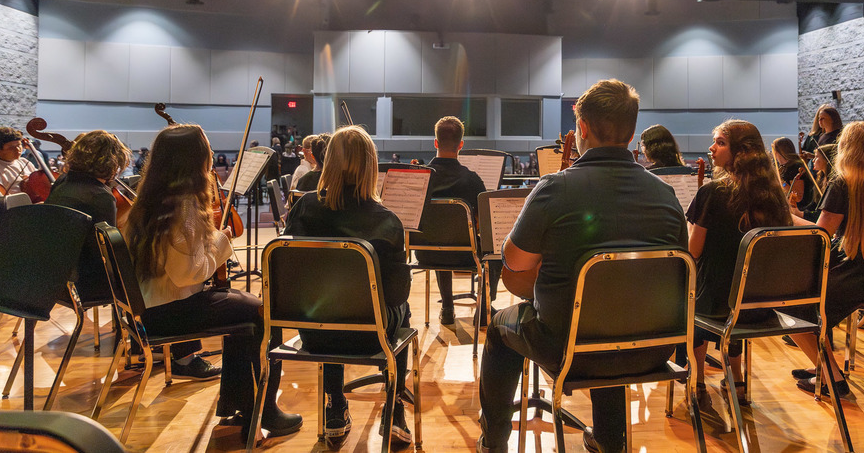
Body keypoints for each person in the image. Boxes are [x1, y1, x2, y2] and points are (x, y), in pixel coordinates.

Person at [477, 79, 687, 453]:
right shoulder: (666, 194)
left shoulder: (555, 188)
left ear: (583, 128)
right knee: (614, 314)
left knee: (498, 328)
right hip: (654, 348)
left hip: (570, 350)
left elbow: (514, 260)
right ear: (632, 132)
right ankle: (610, 438)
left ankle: (493, 442)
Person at [123, 124, 302, 439]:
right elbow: (189, 274)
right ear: (196, 158)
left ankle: (239, 407)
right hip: (170, 310)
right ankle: (262, 411)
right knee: (263, 312)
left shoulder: (153, 196)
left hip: (153, 305)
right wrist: (221, 240)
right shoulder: (184, 205)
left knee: (244, 309)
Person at [284, 125, 414, 447]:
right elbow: (397, 294)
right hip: (372, 337)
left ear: (328, 163)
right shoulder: (387, 221)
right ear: (372, 166)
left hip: (312, 332)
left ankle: (335, 408)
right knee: (403, 313)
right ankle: (394, 408)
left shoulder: (303, 208)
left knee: (328, 306)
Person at [688, 120, 803, 408]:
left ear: (740, 152)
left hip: (717, 308)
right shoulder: (774, 197)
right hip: (760, 307)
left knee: (694, 288)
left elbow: (693, 251)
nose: (712, 148)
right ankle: (736, 379)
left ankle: (698, 379)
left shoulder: (713, 192)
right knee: (736, 284)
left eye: (720, 143)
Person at [789, 121, 864, 399]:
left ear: (846, 148)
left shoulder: (842, 182)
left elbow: (820, 235)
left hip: (857, 276)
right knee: (811, 303)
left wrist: (784, 215)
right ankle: (822, 367)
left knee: (791, 308)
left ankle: (831, 379)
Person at [417, 116, 493, 326]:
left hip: (425, 252)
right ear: (461, 145)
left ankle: (447, 308)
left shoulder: (420, 177)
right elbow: (484, 223)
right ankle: (485, 306)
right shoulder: (472, 180)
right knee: (493, 248)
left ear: (435, 142)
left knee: (440, 238)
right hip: (465, 256)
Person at [46, 130, 132, 304]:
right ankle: (134, 328)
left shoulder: (62, 181)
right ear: (113, 162)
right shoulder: (101, 196)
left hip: (53, 278)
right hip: (85, 285)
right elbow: (107, 252)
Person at [0, 126, 34, 194]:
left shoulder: (25, 162)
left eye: (19, 145)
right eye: (11, 147)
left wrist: (33, 150)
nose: (18, 150)